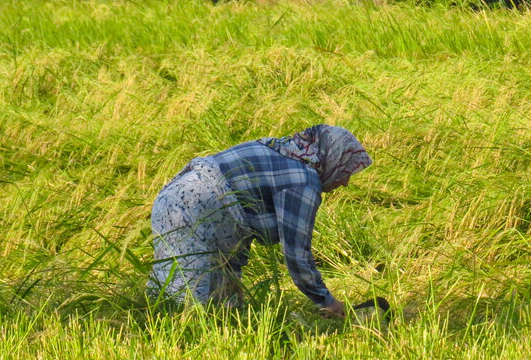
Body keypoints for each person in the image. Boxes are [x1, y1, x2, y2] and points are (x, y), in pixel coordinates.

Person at [148, 124, 371, 315]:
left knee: (221, 311)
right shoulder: (302, 181)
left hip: (177, 200)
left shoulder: (282, 152)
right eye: (346, 170)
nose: (345, 182)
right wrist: (327, 302)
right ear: (332, 159)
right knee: (185, 308)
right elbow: (297, 255)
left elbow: (239, 216)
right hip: (189, 210)